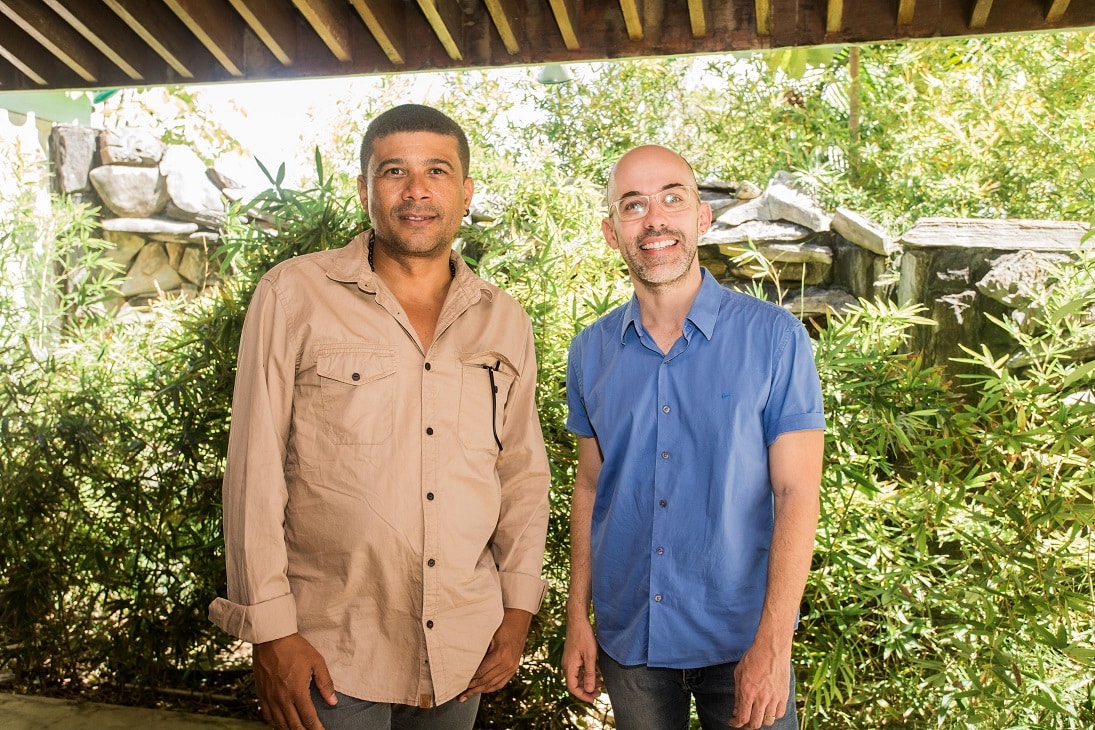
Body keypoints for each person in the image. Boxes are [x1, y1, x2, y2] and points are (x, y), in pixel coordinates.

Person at [209, 104, 551, 730]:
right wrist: (271, 631)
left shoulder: (504, 319)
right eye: (394, 171)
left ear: (466, 192)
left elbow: (522, 473)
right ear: (365, 190)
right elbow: (254, 469)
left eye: (437, 171)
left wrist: (518, 609)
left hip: (463, 647)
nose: (417, 190)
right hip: (330, 649)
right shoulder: (292, 295)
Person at [561, 145, 825, 730]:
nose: (654, 220)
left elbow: (798, 494)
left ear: (701, 217)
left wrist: (774, 643)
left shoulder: (775, 338)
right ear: (611, 232)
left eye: (672, 199)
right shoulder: (590, 351)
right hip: (632, 641)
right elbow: (589, 486)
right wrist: (577, 615)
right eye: (633, 205)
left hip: (743, 639)